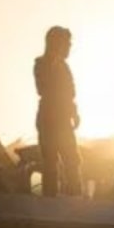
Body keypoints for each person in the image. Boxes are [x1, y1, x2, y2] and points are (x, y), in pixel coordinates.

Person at [34, 26, 82, 197]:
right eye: (66, 43)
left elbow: (69, 93)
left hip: (63, 119)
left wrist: (73, 112)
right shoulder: (42, 64)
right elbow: (44, 89)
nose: (69, 47)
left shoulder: (64, 66)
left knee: (72, 160)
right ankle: (51, 200)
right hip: (49, 118)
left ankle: (74, 198)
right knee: (50, 163)